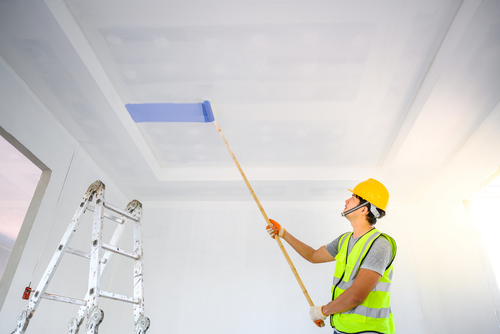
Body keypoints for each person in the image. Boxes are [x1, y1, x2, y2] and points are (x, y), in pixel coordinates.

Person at [266, 178, 397, 334]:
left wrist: (323, 311)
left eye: (353, 198)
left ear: (364, 209)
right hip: (342, 329)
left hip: (368, 331)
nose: (347, 200)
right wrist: (283, 233)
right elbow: (313, 255)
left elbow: (356, 295)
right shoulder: (344, 240)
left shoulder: (380, 244)